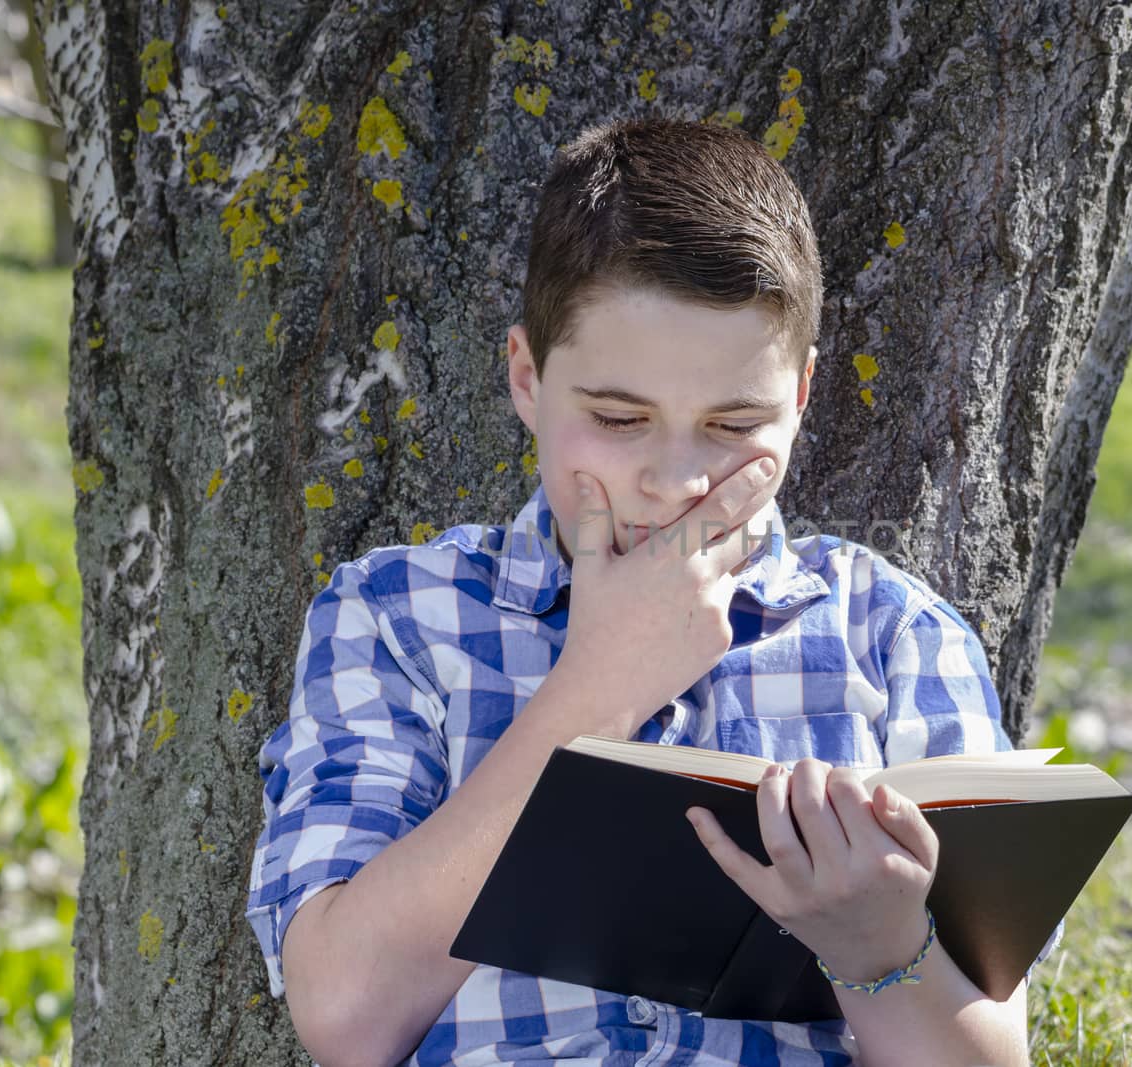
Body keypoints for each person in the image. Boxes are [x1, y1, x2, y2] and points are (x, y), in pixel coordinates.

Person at [246, 116, 1055, 1067]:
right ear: (527, 378)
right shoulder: (395, 618)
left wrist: (882, 949)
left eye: (734, 422)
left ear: (800, 398)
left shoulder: (894, 641)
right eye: (620, 417)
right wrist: (597, 689)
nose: (675, 482)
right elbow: (344, 1018)